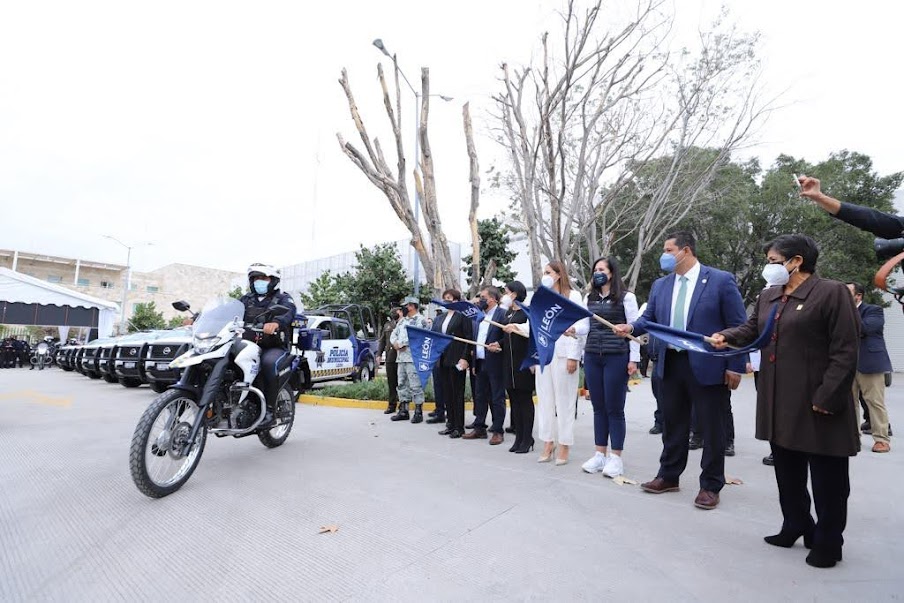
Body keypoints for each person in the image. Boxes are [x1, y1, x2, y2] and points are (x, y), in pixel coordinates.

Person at [712, 234, 860, 568]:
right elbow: (752, 329)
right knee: (788, 470)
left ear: (797, 261)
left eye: (774, 260)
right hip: (779, 399)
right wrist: (725, 337)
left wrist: (828, 395)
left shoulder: (831, 293)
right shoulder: (770, 295)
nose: (769, 267)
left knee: (828, 478)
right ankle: (795, 523)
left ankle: (828, 540)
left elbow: (846, 350)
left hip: (818, 400)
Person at [613, 231, 747, 510]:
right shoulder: (661, 285)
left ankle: (711, 485)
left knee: (712, 428)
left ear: (686, 250)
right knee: (673, 424)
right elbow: (649, 319)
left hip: (708, 365)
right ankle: (669, 476)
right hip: (670, 364)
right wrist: (631, 327)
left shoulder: (720, 280)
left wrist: (735, 365)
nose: (664, 255)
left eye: (668, 249)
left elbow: (739, 325)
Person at [576, 257, 640, 478]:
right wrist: (572, 330)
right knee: (598, 407)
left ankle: (616, 458)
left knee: (614, 408)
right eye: (595, 270)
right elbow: (585, 326)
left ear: (612, 273)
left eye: (601, 269)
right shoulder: (589, 297)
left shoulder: (626, 297)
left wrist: (634, 359)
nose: (597, 273)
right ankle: (599, 454)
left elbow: (635, 330)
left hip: (616, 356)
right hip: (593, 355)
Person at [535, 261, 585, 465]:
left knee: (564, 403)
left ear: (558, 275)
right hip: (544, 354)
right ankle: (548, 441)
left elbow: (581, 325)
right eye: (543, 272)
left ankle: (564, 444)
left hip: (565, 354)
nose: (544, 275)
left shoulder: (572, 296)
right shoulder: (542, 298)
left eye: (548, 272)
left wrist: (574, 356)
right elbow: (535, 324)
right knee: (545, 400)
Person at [235, 264, 297, 420]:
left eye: (263, 278)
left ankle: (269, 410)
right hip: (247, 345)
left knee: (268, 364)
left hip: (273, 345)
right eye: (255, 278)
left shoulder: (282, 298)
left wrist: (276, 322)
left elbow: (289, 310)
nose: (258, 281)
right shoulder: (245, 299)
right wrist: (198, 319)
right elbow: (228, 310)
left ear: (273, 280)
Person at [486, 281, 535, 454]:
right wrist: (497, 344)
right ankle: (519, 437)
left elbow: (531, 334)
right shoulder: (507, 314)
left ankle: (527, 438)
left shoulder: (527, 312)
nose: (504, 295)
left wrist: (515, 328)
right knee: (514, 400)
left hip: (523, 362)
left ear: (514, 294)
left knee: (524, 401)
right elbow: (506, 338)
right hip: (508, 363)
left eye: (506, 292)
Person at [847, 281, 893, 453]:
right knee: (849, 403)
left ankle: (881, 439)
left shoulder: (874, 310)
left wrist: (848, 311)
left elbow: (865, 328)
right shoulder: (840, 312)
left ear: (858, 296)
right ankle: (852, 437)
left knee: (874, 402)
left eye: (847, 293)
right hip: (847, 364)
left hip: (870, 363)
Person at [464, 286, 507, 444]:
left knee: (497, 397)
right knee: (480, 396)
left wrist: (499, 343)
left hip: (496, 362)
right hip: (480, 362)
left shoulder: (502, 314)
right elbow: (477, 340)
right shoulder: (479, 316)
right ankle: (479, 427)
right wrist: (474, 362)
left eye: (483, 297)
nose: (480, 299)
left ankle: (497, 430)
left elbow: (507, 337)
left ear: (493, 299)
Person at [433, 289, 473, 439]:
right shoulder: (440, 318)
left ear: (456, 300)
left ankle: (459, 426)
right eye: (445, 299)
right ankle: (450, 424)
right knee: (447, 393)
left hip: (457, 359)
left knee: (457, 393)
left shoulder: (463, 316)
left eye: (449, 298)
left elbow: (469, 339)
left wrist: (465, 358)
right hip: (442, 359)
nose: (446, 301)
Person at [389, 296, 429, 423]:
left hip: (413, 358)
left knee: (415, 385)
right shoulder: (402, 321)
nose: (404, 308)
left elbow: (419, 336)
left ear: (412, 306)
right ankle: (404, 410)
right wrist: (394, 342)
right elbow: (393, 333)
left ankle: (418, 411)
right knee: (401, 384)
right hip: (401, 358)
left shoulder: (421, 320)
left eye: (406, 306)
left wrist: (403, 343)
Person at [377, 306, 403, 415]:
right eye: (393, 312)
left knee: (402, 383)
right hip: (390, 357)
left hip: (402, 357)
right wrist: (379, 354)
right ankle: (392, 405)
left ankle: (403, 406)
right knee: (392, 383)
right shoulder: (387, 325)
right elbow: (382, 341)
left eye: (396, 311)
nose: (394, 313)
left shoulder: (405, 324)